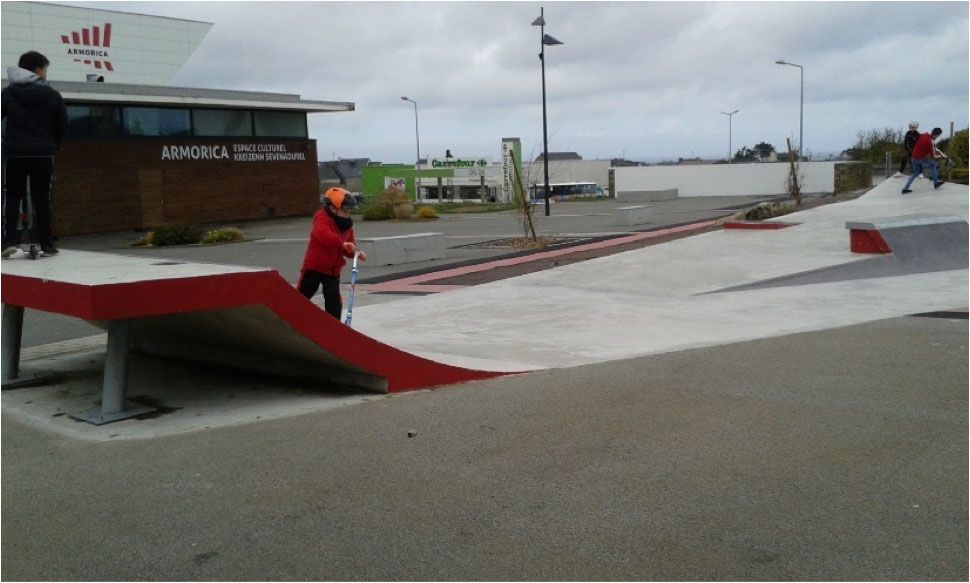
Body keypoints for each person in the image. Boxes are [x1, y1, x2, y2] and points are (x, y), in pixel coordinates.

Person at [1, 51, 67, 258]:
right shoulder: (52, 94)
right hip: (43, 154)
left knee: (12, 196)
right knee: (42, 198)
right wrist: (52, 146)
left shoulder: (8, 94)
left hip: (15, 153)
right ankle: (46, 243)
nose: (46, 73)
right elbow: (62, 125)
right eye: (45, 69)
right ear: (37, 69)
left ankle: (8, 241)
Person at [298, 187, 366, 320]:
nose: (348, 214)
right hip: (314, 267)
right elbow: (323, 235)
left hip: (333, 271)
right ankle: (292, 316)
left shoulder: (347, 225)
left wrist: (356, 253)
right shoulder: (322, 217)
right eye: (345, 211)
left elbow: (349, 245)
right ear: (333, 208)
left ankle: (334, 324)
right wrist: (342, 244)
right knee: (302, 295)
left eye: (349, 212)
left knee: (333, 299)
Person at [901, 127, 944, 194]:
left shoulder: (924, 135)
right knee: (933, 165)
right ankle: (936, 183)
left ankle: (905, 189)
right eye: (939, 135)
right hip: (920, 158)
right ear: (937, 135)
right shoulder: (930, 142)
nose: (938, 137)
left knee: (915, 173)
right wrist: (940, 156)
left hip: (914, 157)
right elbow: (933, 155)